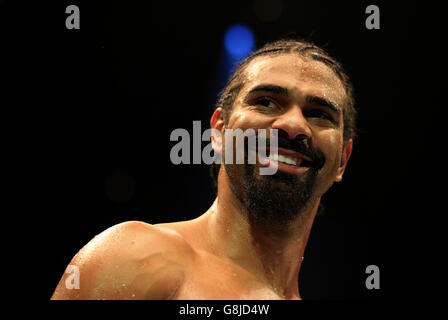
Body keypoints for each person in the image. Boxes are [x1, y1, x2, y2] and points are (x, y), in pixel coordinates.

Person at [52, 38, 356, 300]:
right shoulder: (135, 257)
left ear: (342, 159)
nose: (293, 125)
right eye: (266, 102)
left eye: (320, 115)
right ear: (219, 133)